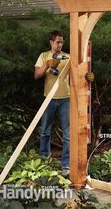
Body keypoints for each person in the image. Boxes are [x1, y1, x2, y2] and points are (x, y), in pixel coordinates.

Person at [34, 30, 70, 176]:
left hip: (65, 98)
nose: (60, 45)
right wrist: (48, 65)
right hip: (48, 98)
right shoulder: (44, 56)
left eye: (62, 42)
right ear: (51, 42)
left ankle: (66, 165)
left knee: (67, 134)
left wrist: (87, 76)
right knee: (44, 131)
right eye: (57, 42)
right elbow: (36, 75)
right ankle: (44, 160)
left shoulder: (68, 57)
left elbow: (77, 75)